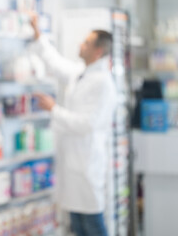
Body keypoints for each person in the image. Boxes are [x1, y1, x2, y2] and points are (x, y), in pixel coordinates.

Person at [29, 13, 117, 236]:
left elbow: (88, 124)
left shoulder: (104, 84)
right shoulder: (82, 73)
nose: (81, 44)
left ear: (98, 51)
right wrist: (37, 32)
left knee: (92, 225)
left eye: (86, 42)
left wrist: (53, 109)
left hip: (87, 166)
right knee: (78, 227)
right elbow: (55, 63)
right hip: (73, 165)